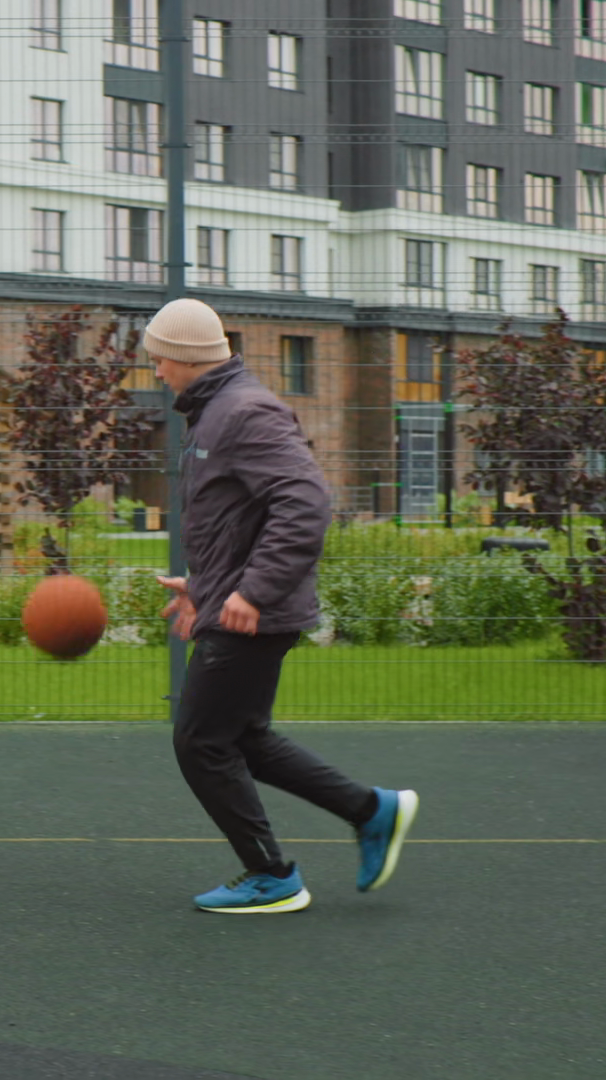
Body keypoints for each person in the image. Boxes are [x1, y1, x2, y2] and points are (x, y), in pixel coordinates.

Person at [145, 298, 418, 914]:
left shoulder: (244, 411)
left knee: (200, 742)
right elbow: (238, 520)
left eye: (160, 357)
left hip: (253, 612)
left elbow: (306, 503)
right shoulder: (215, 411)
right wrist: (202, 586)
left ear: (185, 355)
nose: (156, 370)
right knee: (242, 738)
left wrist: (252, 591)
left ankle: (272, 876)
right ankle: (372, 811)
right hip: (237, 601)